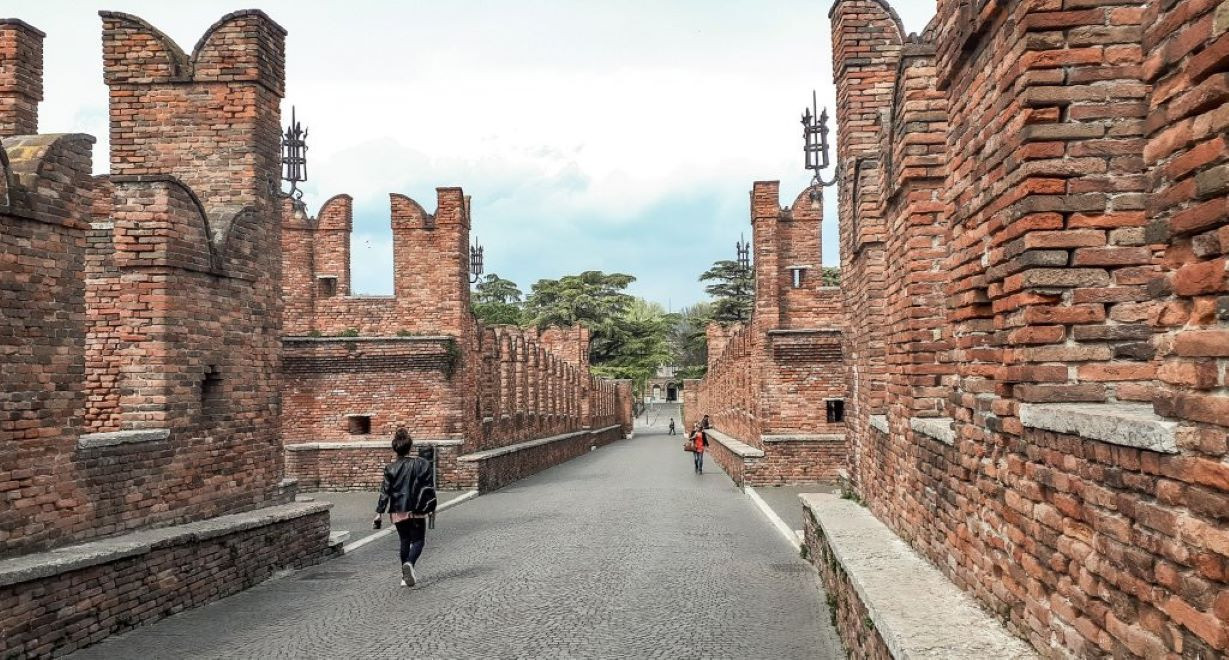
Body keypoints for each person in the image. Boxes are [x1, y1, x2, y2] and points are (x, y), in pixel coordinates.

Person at [373, 428, 434, 587]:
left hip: (397, 510)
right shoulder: (420, 464)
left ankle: (403, 576)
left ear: (395, 449)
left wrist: (379, 513)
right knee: (419, 540)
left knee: (404, 541)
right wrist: (431, 506)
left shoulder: (390, 468)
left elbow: (385, 492)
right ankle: (410, 564)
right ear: (410, 447)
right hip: (416, 509)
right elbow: (427, 486)